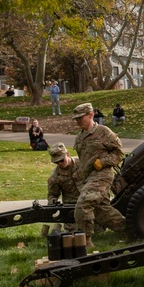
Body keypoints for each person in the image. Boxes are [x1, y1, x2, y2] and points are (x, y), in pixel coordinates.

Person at [72, 103, 127, 248]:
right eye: (75, 119)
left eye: (80, 117)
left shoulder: (104, 132)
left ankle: (85, 242)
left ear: (90, 115)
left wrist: (102, 162)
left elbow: (118, 153)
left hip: (102, 175)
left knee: (83, 205)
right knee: (101, 210)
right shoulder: (79, 138)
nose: (77, 121)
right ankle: (129, 230)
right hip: (88, 178)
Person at [46, 143, 81, 219]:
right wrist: (52, 203)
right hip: (71, 208)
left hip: (91, 203)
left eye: (62, 160)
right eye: (56, 162)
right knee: (72, 230)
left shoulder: (82, 163)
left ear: (67, 154)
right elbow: (52, 194)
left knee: (98, 229)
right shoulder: (55, 177)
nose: (60, 163)